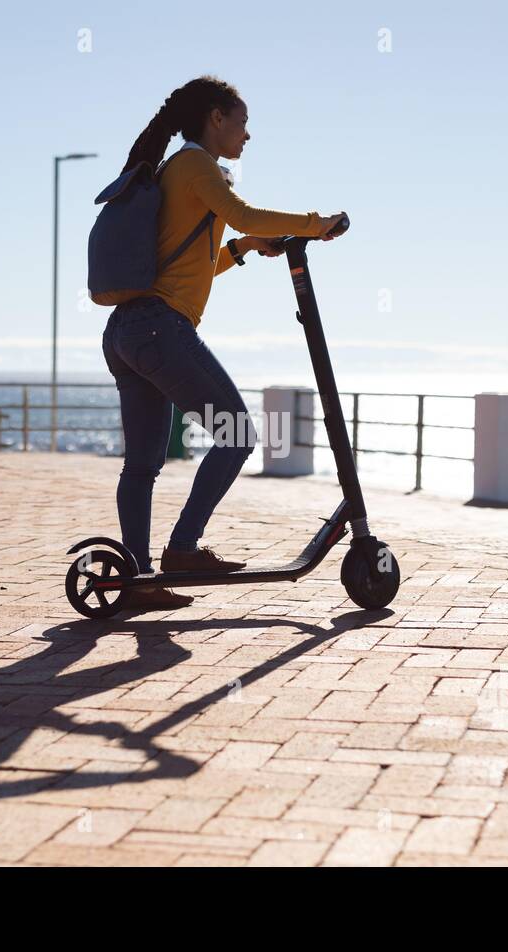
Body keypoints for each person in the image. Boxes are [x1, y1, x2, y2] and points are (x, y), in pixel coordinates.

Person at [104, 75, 344, 611]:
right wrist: (315, 223)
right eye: (242, 122)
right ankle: (184, 548)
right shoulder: (195, 165)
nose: (247, 135)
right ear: (216, 118)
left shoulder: (175, 170)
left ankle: (137, 580)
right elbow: (246, 211)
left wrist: (241, 249)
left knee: (141, 466)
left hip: (127, 331)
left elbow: (192, 263)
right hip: (159, 329)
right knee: (237, 434)